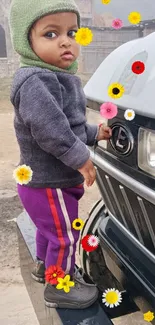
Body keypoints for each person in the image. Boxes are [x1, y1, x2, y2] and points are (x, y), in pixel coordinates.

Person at [9, 0, 112, 309]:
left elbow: (72, 126)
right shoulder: (34, 81)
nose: (66, 40)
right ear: (26, 43)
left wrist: (96, 134)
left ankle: (45, 266)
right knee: (65, 236)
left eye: (72, 31)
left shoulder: (59, 77)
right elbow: (52, 130)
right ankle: (60, 287)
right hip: (47, 183)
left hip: (51, 182)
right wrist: (82, 157)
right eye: (51, 34)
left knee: (51, 232)